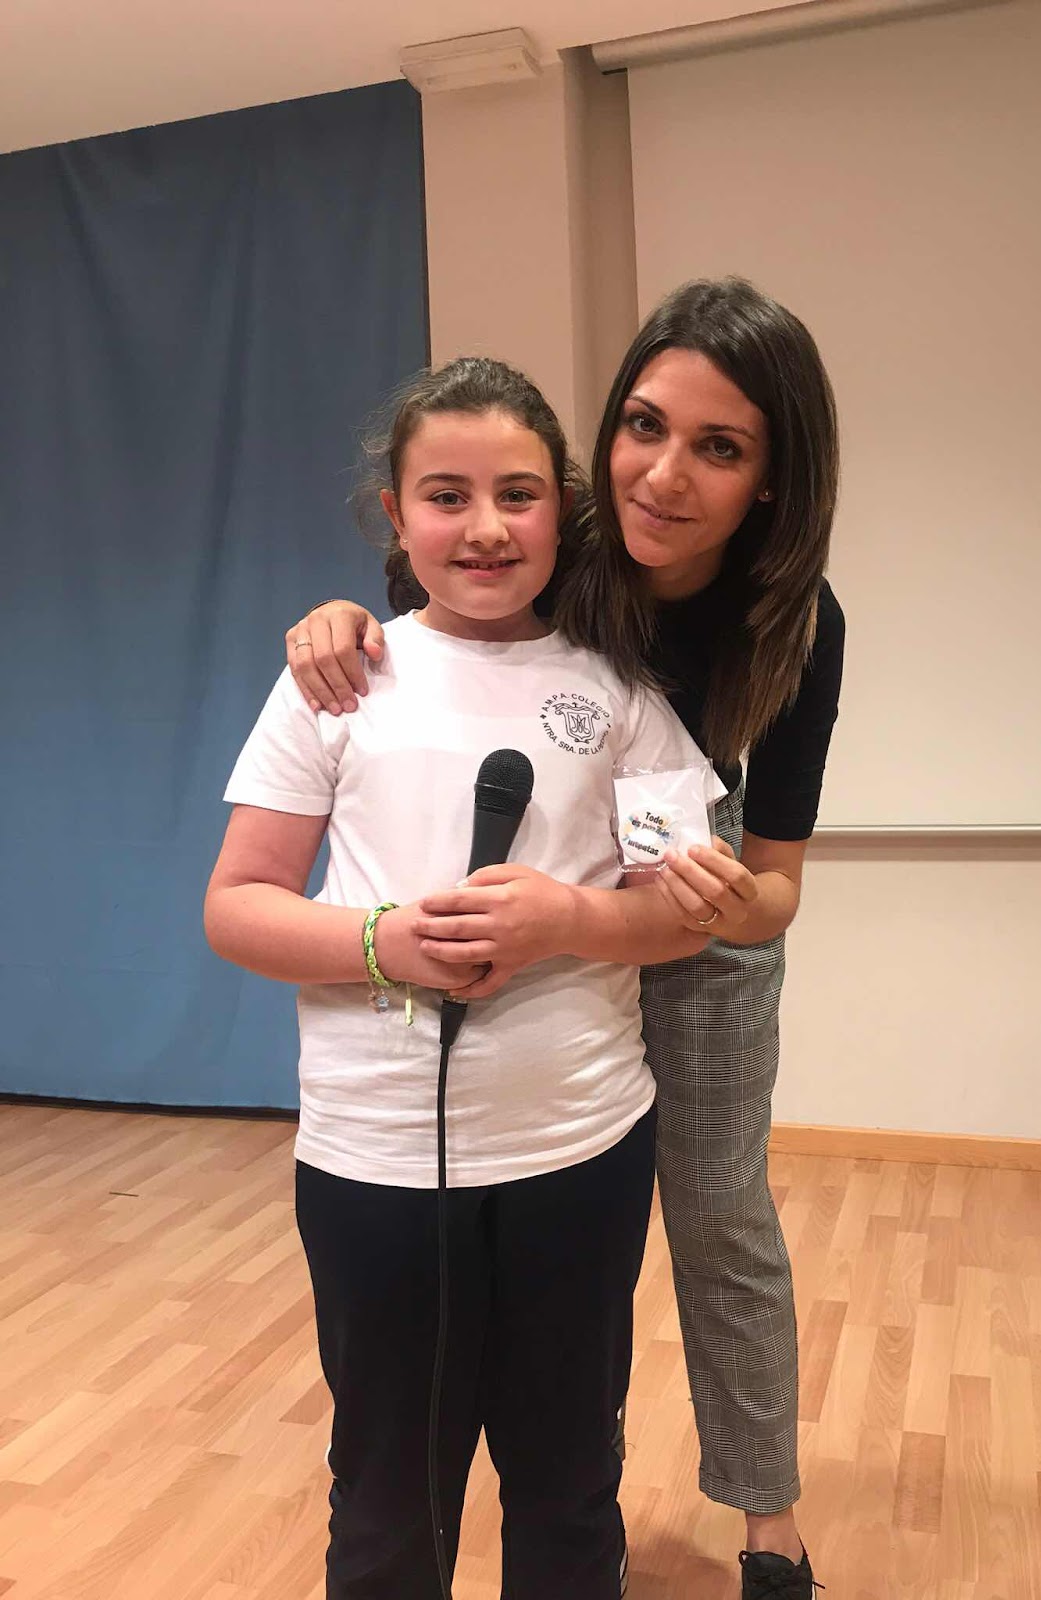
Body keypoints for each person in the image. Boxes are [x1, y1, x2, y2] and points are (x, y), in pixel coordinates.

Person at [282, 278, 846, 1600]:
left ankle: (768, 1520)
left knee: (716, 1214)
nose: (664, 473)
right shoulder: (548, 530)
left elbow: (775, 890)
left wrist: (692, 907)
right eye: (644, 425)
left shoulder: (796, 623)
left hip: (704, 893)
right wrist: (331, 622)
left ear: (771, 479)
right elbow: (418, 621)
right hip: (545, 886)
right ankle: (550, 1478)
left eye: (719, 447)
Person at [205, 356, 736, 1600]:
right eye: (446, 496)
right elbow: (238, 905)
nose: (485, 527)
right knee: (390, 1494)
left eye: (517, 494)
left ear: (564, 508)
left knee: (568, 1481)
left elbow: (681, 917)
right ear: (396, 516)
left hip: (579, 1152)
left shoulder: (620, 694)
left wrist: (565, 920)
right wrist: (380, 943)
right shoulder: (337, 681)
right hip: (377, 1163)